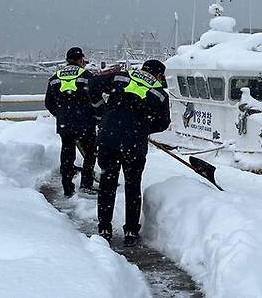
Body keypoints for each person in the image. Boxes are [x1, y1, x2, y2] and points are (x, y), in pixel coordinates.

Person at [90, 59, 170, 246]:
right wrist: (143, 127)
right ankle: (131, 232)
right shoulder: (159, 93)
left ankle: (104, 228)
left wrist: (102, 110)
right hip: (134, 143)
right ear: (158, 75)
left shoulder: (121, 76)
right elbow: (163, 123)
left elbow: (93, 84)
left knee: (107, 183)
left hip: (108, 137)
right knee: (133, 187)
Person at [45, 47, 99, 197]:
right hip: (85, 122)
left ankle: (67, 187)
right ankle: (86, 184)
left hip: (65, 124)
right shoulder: (87, 76)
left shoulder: (54, 78)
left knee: (67, 153)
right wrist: (97, 116)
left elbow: (49, 103)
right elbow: (96, 99)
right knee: (90, 153)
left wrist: (61, 114)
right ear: (80, 59)